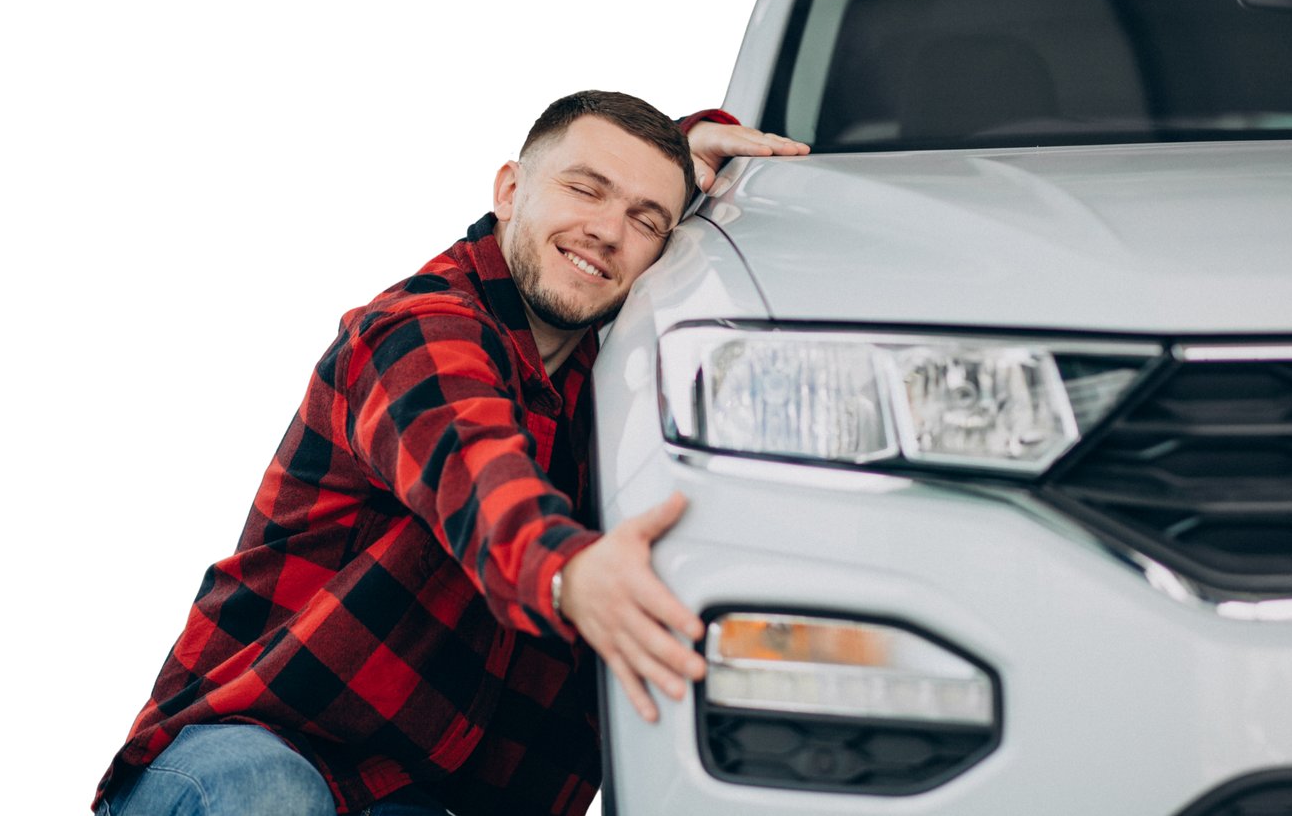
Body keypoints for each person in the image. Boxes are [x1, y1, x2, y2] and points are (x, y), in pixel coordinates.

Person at [94, 92, 807, 816]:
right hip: (255, 753)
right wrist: (569, 570)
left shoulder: (618, 385)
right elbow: (471, 464)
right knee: (273, 794)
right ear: (510, 191)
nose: (607, 230)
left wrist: (689, 149)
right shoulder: (421, 327)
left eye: (645, 219)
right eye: (584, 189)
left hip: (419, 798)